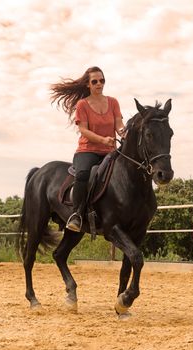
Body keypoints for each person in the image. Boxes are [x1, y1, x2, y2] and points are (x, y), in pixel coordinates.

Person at [50, 66, 125, 232]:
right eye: (95, 81)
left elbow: (119, 123)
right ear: (88, 85)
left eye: (102, 80)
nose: (99, 84)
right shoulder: (82, 105)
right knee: (83, 174)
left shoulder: (113, 102)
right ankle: (76, 214)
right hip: (87, 150)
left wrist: (123, 132)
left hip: (110, 152)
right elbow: (83, 130)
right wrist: (102, 140)